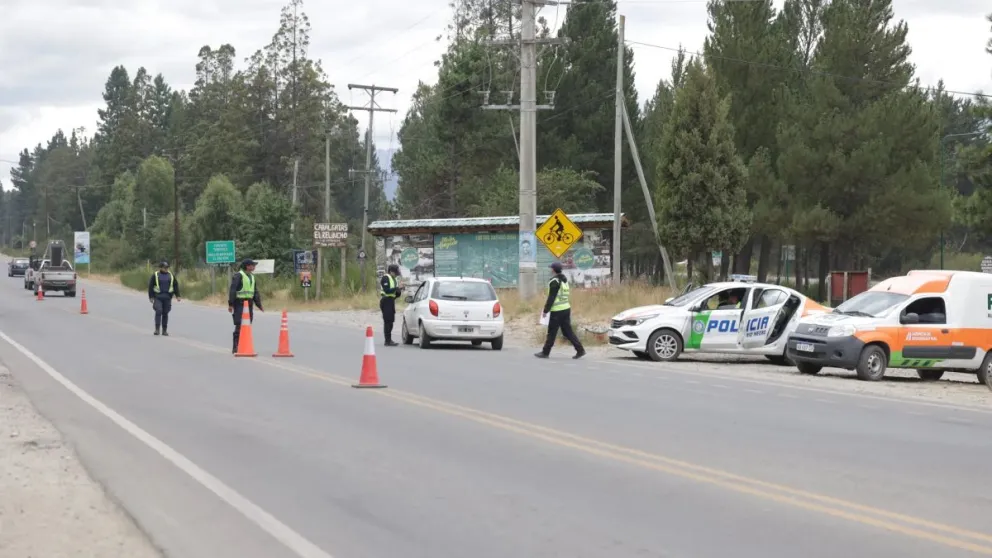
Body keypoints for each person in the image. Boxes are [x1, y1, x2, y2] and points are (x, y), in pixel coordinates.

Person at [535, 262, 585, 359]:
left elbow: (551, 297)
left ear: (553, 270)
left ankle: (545, 352)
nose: (550, 270)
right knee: (567, 332)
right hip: (566, 308)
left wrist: (545, 310)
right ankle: (580, 350)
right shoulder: (564, 280)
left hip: (557, 311)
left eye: (551, 269)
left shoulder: (554, 281)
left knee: (552, 332)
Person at [229, 258, 264, 353]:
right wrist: (231, 304)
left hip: (249, 304)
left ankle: (244, 345)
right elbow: (233, 290)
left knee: (247, 325)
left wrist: (259, 305)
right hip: (240, 303)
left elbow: (255, 292)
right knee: (239, 325)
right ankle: (235, 346)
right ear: (248, 266)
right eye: (253, 265)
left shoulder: (252, 277)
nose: (254, 267)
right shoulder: (238, 276)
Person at [147, 260, 181, 336]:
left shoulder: (171, 276)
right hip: (158, 297)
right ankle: (157, 329)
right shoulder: (155, 275)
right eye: (164, 267)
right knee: (158, 311)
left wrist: (178, 295)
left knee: (165, 313)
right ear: (160, 268)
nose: (166, 269)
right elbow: (150, 286)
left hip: (167, 297)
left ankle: (164, 330)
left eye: (167, 267)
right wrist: (151, 297)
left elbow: (175, 285)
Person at [379, 264, 403, 346]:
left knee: (391, 321)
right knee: (387, 321)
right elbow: (387, 291)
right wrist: (396, 288)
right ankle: (387, 341)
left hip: (391, 301)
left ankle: (389, 340)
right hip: (386, 301)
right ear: (391, 271)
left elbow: (394, 294)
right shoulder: (385, 278)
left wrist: (399, 291)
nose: (396, 274)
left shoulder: (394, 279)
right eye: (395, 273)